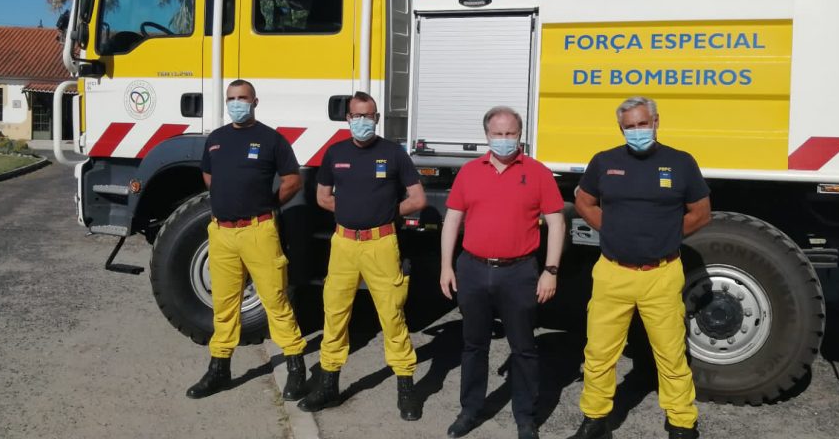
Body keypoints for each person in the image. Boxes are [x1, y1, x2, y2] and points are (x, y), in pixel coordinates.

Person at [569, 96, 711, 439]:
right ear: (621, 128)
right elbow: (583, 201)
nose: (637, 131)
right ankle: (595, 420)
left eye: (642, 124)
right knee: (599, 354)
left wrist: (666, 236)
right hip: (612, 273)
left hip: (661, 275)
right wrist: (611, 229)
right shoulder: (604, 162)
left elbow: (701, 212)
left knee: (671, 355)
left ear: (656, 121)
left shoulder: (681, 162)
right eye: (630, 126)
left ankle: (681, 422)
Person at [297, 91, 427, 421]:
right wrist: (352, 211)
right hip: (343, 245)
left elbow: (418, 198)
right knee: (335, 314)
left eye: (368, 116)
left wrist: (386, 211)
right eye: (357, 116)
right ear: (348, 119)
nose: (362, 122)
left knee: (392, 315)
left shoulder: (393, 153)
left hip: (382, 244)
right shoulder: (335, 153)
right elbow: (322, 196)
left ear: (377, 119)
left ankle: (406, 387)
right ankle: (328, 385)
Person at [440, 106, 566, 439]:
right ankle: (470, 410)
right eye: (498, 134)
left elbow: (556, 223)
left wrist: (550, 270)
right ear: (487, 136)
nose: (504, 140)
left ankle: (525, 417)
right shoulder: (468, 172)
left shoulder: (537, 173)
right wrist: (446, 267)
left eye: (510, 133)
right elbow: (452, 220)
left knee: (523, 348)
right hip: (473, 269)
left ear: (520, 135)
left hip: (519, 272)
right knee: (473, 345)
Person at [187, 79, 309, 402]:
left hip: (259, 231)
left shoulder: (271, 140)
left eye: (243, 97)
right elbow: (209, 177)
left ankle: (296, 366)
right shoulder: (216, 140)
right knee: (224, 306)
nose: (236, 103)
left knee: (276, 301)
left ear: (255, 101)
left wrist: (266, 204)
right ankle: (219, 369)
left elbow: (293, 180)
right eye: (232, 98)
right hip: (222, 233)